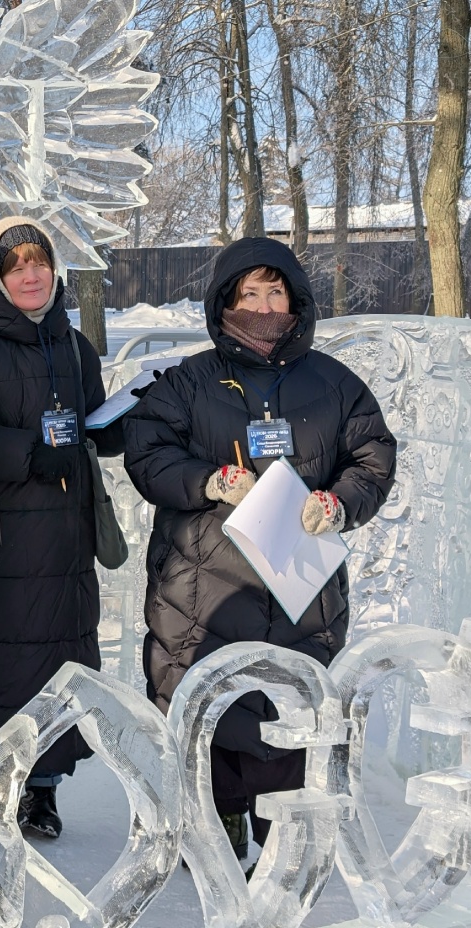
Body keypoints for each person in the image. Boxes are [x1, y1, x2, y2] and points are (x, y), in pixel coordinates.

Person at [122, 236, 396, 860]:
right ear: (225, 301)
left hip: (299, 589)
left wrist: (338, 502)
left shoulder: (333, 383)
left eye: (276, 292)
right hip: (202, 590)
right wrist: (207, 480)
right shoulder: (189, 381)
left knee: (287, 715)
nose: (265, 306)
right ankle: (215, 831)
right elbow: (147, 450)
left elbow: (373, 457)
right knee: (204, 713)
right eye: (250, 293)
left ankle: (281, 843)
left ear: (296, 299)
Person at [0, 217, 122, 839]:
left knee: (60, 661)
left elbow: (89, 419)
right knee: (4, 661)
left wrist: (111, 430)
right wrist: (26, 452)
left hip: (67, 536)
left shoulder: (73, 346)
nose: (30, 275)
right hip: (5, 535)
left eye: (39, 263)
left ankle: (42, 789)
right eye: (16, 265)